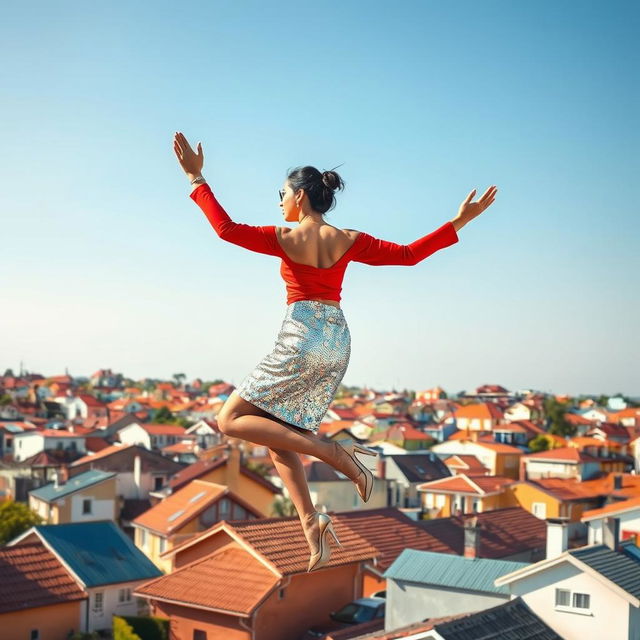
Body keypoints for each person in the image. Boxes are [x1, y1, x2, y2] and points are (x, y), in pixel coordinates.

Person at [172, 131, 497, 572]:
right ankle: (312, 523)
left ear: (301, 197)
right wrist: (460, 222)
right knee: (275, 436)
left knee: (229, 420)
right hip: (337, 340)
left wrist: (196, 178)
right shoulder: (349, 238)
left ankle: (338, 455)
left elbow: (226, 229)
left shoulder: (283, 236)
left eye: (282, 193)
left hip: (301, 336)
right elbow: (407, 255)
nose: (279, 201)